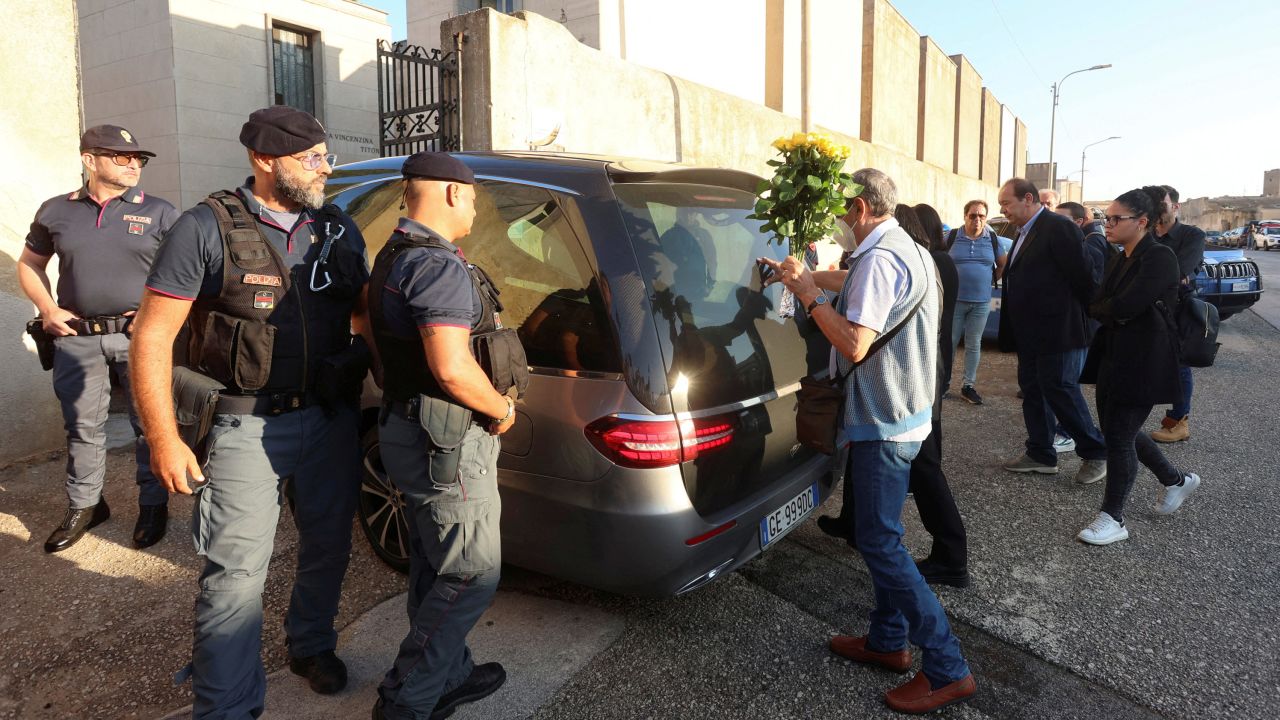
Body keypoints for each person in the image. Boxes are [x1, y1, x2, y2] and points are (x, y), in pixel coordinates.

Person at [129, 106, 371, 717]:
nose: (323, 169)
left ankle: (311, 644)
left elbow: (363, 313)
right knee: (234, 577)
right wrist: (163, 439)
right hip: (244, 425)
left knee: (329, 545)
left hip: (329, 419)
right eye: (309, 158)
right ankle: (227, 708)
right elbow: (152, 337)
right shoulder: (204, 227)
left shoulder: (337, 229)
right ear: (265, 160)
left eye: (325, 156)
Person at [760, 169, 976, 714]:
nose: (835, 220)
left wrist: (808, 298)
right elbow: (852, 283)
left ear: (858, 208)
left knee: (879, 541)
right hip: (905, 410)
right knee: (884, 534)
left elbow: (855, 342)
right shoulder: (903, 244)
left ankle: (947, 668)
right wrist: (804, 277)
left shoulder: (881, 257)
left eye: (839, 209)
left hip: (884, 417)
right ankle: (886, 641)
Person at [368, 152, 521, 720]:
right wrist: (501, 407)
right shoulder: (435, 265)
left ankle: (450, 674)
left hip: (410, 429)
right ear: (453, 193)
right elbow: (453, 367)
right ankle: (407, 699)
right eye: (475, 196)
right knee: (472, 573)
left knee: (437, 563)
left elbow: (370, 329)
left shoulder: (393, 253)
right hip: (449, 444)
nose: (478, 207)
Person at [18, 125, 178, 553]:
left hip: (139, 338)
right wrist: (48, 310)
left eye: (138, 159)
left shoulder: (161, 212)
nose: (133, 165)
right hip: (78, 338)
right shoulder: (56, 211)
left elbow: (183, 275)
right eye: (121, 157)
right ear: (90, 160)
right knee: (82, 427)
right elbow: (30, 264)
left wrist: (152, 315)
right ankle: (85, 506)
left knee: (150, 424)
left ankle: (153, 504)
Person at [1077, 189, 1201, 545]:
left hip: (1146, 360)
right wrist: (1112, 309)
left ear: (1142, 222)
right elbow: (1099, 303)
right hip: (1114, 354)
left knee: (1118, 436)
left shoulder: (1160, 257)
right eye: (1107, 218)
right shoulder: (1119, 257)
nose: (1108, 225)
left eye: (1117, 219)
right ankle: (1176, 480)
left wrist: (1112, 309)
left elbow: (1123, 305)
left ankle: (1113, 518)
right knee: (1120, 431)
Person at [997, 178, 1107, 485]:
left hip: (1059, 331)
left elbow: (1086, 278)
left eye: (1006, 203)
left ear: (1028, 198)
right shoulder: (1022, 232)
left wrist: (1076, 319)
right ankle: (1041, 453)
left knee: (1060, 389)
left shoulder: (1058, 227)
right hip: (1031, 333)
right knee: (1033, 391)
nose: (1003, 209)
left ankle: (1096, 452)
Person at [1146, 185, 1205, 443]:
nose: (1158, 210)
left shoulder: (1192, 235)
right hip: (1146, 308)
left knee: (1179, 365)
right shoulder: (1146, 232)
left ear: (1176, 207)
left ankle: (1179, 422)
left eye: (1163, 204)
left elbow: (1178, 271)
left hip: (1177, 310)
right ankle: (1127, 418)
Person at [944, 199, 1010, 405]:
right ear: (965, 216)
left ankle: (968, 386)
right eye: (973, 215)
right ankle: (943, 384)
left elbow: (1002, 265)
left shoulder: (992, 239)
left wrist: (987, 280)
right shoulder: (952, 237)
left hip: (981, 303)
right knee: (950, 344)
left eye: (981, 216)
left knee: (974, 344)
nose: (977, 220)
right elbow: (937, 260)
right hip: (955, 301)